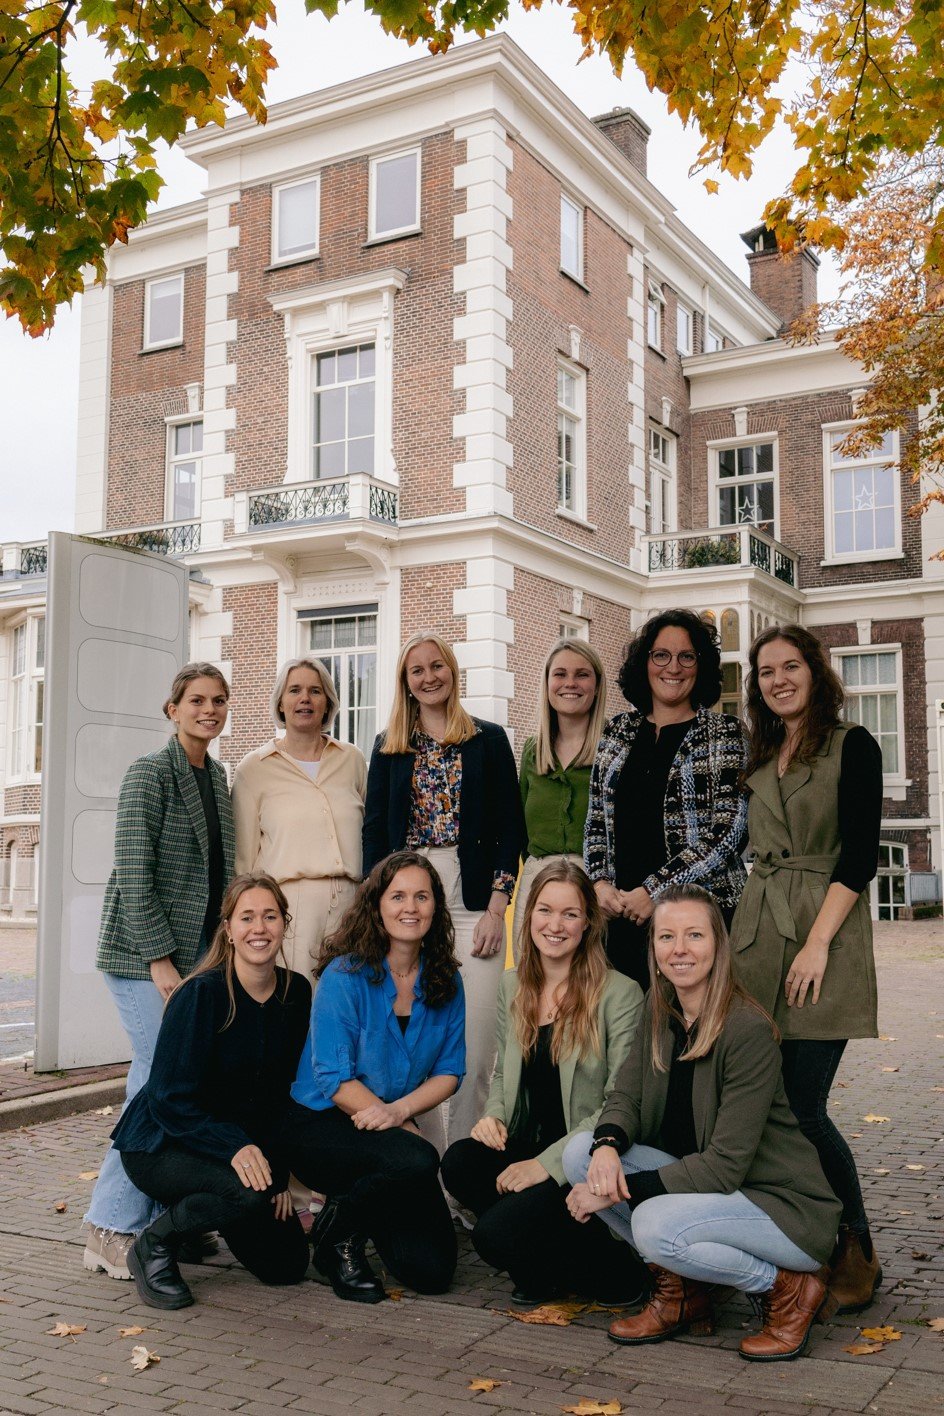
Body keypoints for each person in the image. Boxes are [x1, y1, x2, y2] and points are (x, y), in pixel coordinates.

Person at [563, 885, 841, 1363]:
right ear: (653, 948)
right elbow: (625, 1095)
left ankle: (789, 1288)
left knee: (653, 1225)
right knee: (580, 1153)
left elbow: (725, 1167)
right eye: (666, 936)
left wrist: (616, 1191)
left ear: (718, 945)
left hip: (781, 1209)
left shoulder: (747, 1030)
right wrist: (606, 1146)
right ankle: (684, 1293)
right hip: (716, 1193)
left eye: (694, 935)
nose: (680, 949)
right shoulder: (659, 1008)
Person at [730, 624, 883, 1314]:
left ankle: (855, 1241)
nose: (779, 680)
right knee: (765, 1101)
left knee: (804, 1104)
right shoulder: (763, 751)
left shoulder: (854, 744)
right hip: (759, 932)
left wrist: (818, 943)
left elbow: (859, 856)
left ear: (815, 672)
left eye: (790, 666)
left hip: (826, 931)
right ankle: (799, 1235)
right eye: (766, 671)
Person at [83, 663, 235, 1282]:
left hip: (197, 956)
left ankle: (166, 1219)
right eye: (196, 700)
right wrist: (158, 959)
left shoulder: (217, 777)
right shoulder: (148, 773)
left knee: (185, 1084)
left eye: (218, 700)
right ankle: (109, 1225)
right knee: (152, 1081)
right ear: (172, 709)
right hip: (142, 955)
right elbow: (133, 869)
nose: (208, 710)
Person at [441, 860, 647, 1306]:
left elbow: (620, 1101)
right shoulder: (513, 986)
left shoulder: (620, 994)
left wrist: (545, 1166)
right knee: (459, 1161)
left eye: (570, 914)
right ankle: (539, 1262)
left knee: (492, 1237)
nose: (555, 925)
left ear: (587, 922)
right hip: (528, 1143)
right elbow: (503, 1072)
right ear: (529, 913)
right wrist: (494, 1117)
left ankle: (612, 1270)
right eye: (545, 910)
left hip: (581, 1157)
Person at [110, 875, 311, 1310]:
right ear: (229, 929)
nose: (259, 928)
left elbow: (281, 1095)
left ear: (284, 924)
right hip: (161, 1143)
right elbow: (168, 1099)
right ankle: (154, 1244)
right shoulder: (200, 994)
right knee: (247, 1194)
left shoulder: (296, 992)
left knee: (286, 1265)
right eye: (247, 917)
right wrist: (237, 1150)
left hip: (227, 1146)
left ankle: (198, 1220)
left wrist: (276, 1173)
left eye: (270, 916)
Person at [363, 632, 524, 1145]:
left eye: (437, 666)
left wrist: (497, 907)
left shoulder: (488, 739)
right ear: (405, 682)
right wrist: (382, 906)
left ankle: (465, 1160)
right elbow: (374, 832)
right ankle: (424, 1164)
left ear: (452, 672)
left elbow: (511, 828)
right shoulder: (388, 747)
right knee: (417, 1041)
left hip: (473, 896)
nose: (429, 676)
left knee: (476, 1043)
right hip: (410, 894)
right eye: (417, 670)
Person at [283, 851, 465, 1302]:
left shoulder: (445, 979)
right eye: (398, 896)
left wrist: (399, 1114)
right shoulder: (345, 975)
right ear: (377, 905)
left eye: (422, 896)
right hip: (321, 1123)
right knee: (418, 1158)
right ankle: (337, 1242)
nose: (410, 907)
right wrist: (396, 1125)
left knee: (432, 1272)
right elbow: (334, 1079)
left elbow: (449, 1072)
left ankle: (349, 1209)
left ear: (435, 907)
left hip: (388, 1125)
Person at [584, 609, 748, 990]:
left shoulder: (724, 733)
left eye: (686, 656)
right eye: (661, 655)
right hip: (622, 919)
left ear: (700, 666)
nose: (673, 667)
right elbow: (596, 821)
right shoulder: (618, 731)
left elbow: (729, 833)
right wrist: (600, 882)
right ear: (645, 663)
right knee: (627, 1024)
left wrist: (655, 890)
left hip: (698, 921)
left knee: (694, 1023)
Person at [232, 657, 366, 979]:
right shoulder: (254, 768)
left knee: (350, 998)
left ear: (327, 702)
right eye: (294, 690)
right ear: (281, 702)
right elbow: (243, 861)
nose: (305, 698)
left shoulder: (352, 760)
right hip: (289, 907)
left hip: (353, 904)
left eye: (315, 691)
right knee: (296, 998)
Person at [513, 638, 608, 957]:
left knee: (591, 981)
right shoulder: (532, 750)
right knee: (531, 979)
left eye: (582, 674)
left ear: (597, 685)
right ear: (547, 683)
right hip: (537, 886)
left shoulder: (616, 747)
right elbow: (520, 831)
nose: (570, 683)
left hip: (595, 889)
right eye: (560, 674)